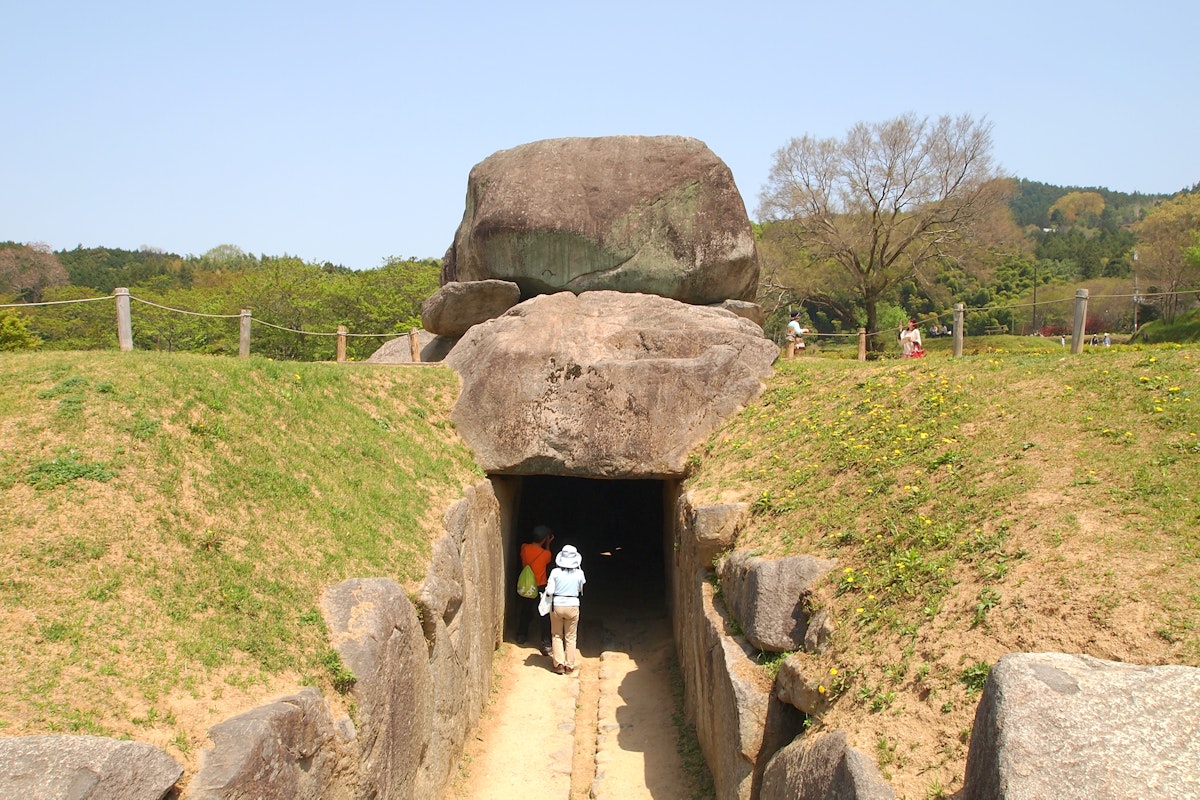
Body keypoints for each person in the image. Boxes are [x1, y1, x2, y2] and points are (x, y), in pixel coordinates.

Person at [544, 544, 586, 674]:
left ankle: (559, 664)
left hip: (557, 604)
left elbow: (550, 590)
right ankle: (569, 665)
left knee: (556, 635)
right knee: (571, 636)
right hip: (573, 605)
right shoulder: (579, 573)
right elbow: (580, 588)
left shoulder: (555, 572)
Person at [516, 525, 554, 654]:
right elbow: (548, 558)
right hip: (540, 586)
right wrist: (548, 544)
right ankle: (546, 643)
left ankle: (521, 635)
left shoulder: (524, 548)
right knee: (544, 614)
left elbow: (525, 551)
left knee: (525, 610)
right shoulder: (545, 554)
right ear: (544, 539)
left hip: (527, 584)